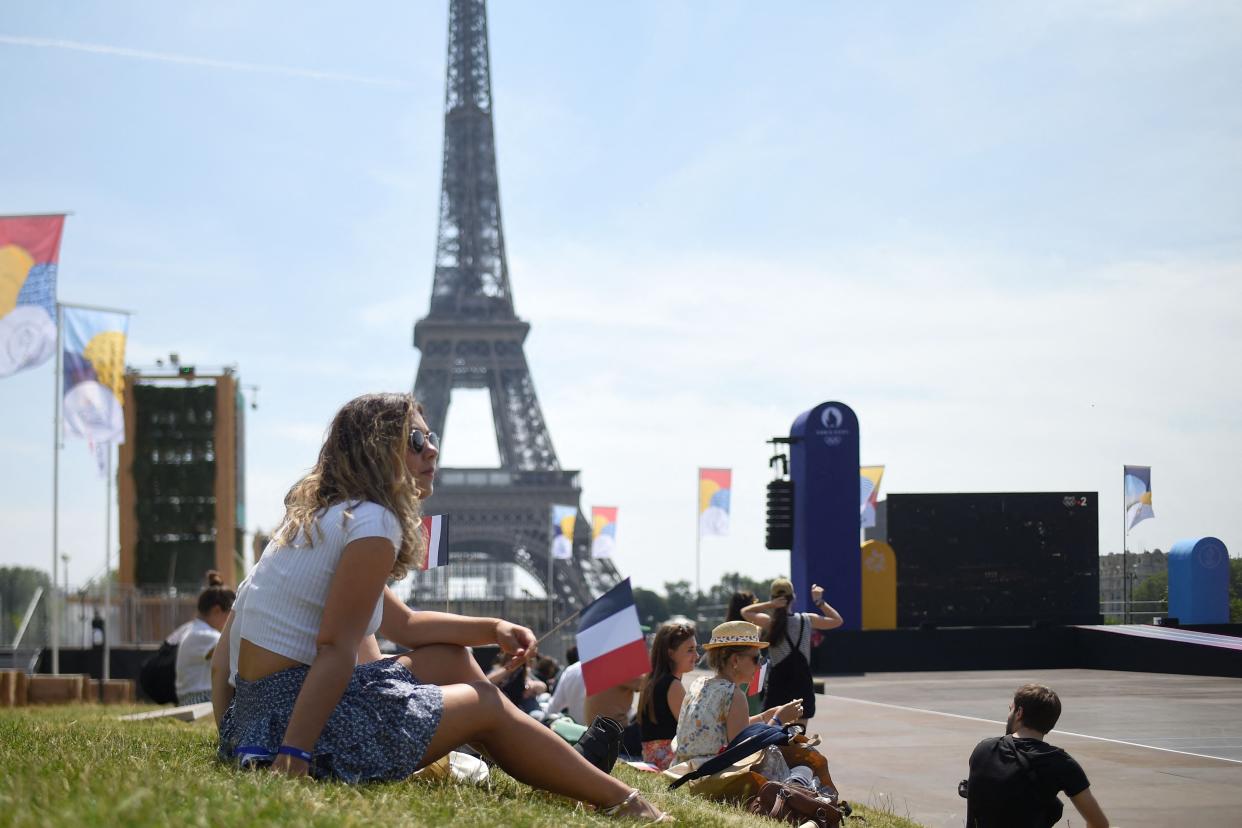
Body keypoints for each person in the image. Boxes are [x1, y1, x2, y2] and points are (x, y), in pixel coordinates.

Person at [209, 393, 665, 821]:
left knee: (449, 657)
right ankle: (622, 801)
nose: (431, 450)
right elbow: (334, 648)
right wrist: (294, 756)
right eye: (415, 440)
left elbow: (404, 624)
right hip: (299, 731)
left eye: (432, 438)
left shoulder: (319, 520)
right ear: (376, 450)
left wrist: (494, 627)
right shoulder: (373, 521)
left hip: (254, 723)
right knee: (486, 702)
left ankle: (547, 762)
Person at [675, 620, 837, 795]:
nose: (760, 665)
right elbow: (745, 751)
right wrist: (778, 720)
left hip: (683, 770)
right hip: (709, 776)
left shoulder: (701, 684)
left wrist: (764, 716)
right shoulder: (733, 694)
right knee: (803, 769)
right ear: (735, 660)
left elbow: (727, 729)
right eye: (756, 658)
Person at [966, 684, 1109, 828]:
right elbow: (1099, 824)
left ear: (1019, 713)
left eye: (1011, 709)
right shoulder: (1061, 763)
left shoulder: (984, 749)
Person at [742, 578, 842, 724]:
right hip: (802, 686)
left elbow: (745, 612)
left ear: (772, 598)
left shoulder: (769, 622)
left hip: (777, 687)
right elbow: (837, 620)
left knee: (772, 738)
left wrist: (771, 604)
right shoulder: (806, 620)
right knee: (798, 739)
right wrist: (819, 601)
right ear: (793, 597)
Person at [637, 621, 698, 770]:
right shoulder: (673, 685)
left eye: (696, 649)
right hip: (668, 763)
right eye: (690, 650)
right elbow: (695, 731)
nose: (696, 656)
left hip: (652, 758)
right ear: (670, 653)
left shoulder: (652, 680)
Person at [174, 571, 236, 705]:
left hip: (191, 698)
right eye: (230, 616)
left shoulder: (195, 630)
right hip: (199, 699)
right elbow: (234, 653)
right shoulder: (205, 635)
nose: (232, 622)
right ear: (217, 611)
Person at [725, 590, 763, 715]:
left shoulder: (726, 630)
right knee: (753, 709)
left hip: (731, 674)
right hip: (755, 671)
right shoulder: (753, 630)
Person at [547, 647, 586, 724]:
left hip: (578, 732)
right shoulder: (609, 666)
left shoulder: (570, 671)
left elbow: (553, 708)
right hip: (609, 731)